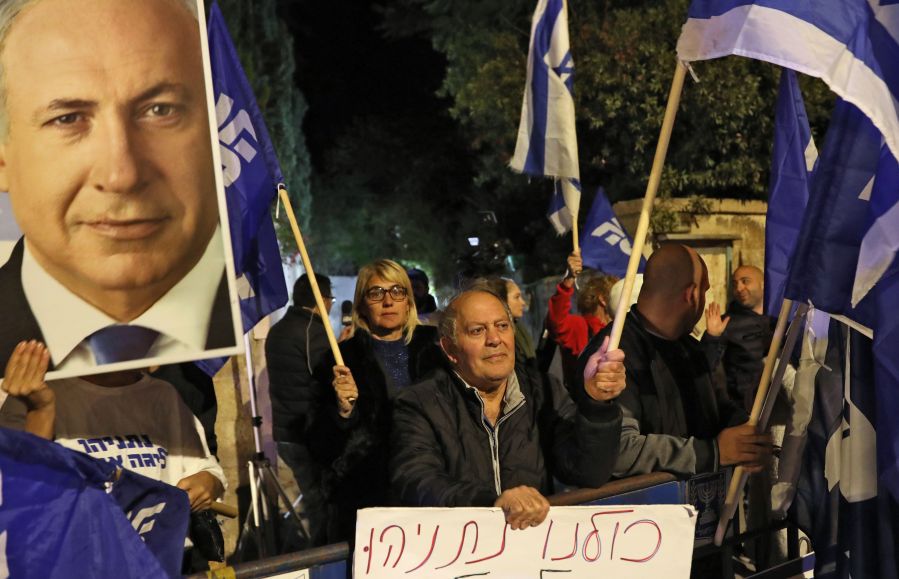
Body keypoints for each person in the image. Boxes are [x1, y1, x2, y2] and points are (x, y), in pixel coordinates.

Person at [0, 0, 235, 376]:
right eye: (68, 119)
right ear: (3, 159)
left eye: (161, 110)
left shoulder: (248, 308)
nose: (121, 176)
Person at [389, 288, 625, 529]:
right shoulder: (419, 402)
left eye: (502, 326)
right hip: (458, 554)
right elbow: (417, 481)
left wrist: (596, 404)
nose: (494, 339)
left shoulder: (544, 390)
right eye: (477, 330)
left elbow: (589, 472)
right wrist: (494, 504)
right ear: (450, 349)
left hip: (533, 550)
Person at [581, 244, 771, 478]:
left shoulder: (690, 348)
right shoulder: (612, 354)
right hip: (647, 511)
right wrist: (710, 453)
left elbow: (717, 406)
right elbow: (618, 450)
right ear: (691, 294)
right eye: (704, 292)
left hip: (708, 507)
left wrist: (744, 432)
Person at [0, 341, 226, 511]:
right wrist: (40, 410)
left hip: (161, 561)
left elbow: (206, 468)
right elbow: (20, 493)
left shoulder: (163, 395)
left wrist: (208, 483)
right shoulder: (35, 397)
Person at [310, 259, 445, 542]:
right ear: (361, 305)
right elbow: (319, 443)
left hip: (434, 487)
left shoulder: (438, 348)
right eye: (376, 293)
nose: (387, 301)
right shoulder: (338, 360)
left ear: (409, 300)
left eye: (397, 291)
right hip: (371, 496)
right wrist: (343, 411)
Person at [265, 273, 334, 546]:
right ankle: (321, 561)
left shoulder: (278, 329)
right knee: (322, 506)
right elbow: (326, 381)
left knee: (309, 500)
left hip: (286, 434)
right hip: (309, 435)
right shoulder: (314, 332)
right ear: (323, 300)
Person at [702, 265, 776, 411]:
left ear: (763, 284)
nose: (739, 288)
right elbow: (705, 366)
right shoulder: (725, 324)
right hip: (746, 411)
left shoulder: (780, 319)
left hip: (782, 407)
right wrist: (712, 336)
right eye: (735, 284)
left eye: (745, 281)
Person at [546, 251, 618, 387]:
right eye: (617, 294)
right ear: (603, 299)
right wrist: (568, 281)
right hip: (587, 404)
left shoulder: (619, 329)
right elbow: (557, 322)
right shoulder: (580, 326)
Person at [480, 277, 537, 366]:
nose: (523, 302)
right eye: (516, 297)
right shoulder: (501, 336)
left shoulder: (518, 327)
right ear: (502, 300)